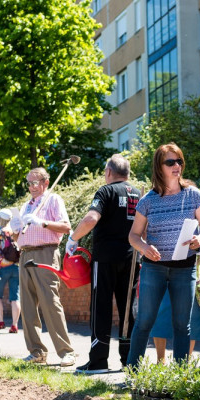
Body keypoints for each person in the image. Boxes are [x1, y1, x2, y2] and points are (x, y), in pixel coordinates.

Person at [126, 143, 200, 367]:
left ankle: (180, 376)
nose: (177, 166)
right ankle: (133, 373)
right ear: (159, 167)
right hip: (154, 268)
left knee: (182, 324)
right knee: (144, 321)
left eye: (179, 161)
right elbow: (134, 236)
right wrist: (144, 247)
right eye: (170, 162)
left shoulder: (193, 195)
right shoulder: (147, 201)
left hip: (185, 268)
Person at [66, 154, 141, 374]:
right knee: (128, 310)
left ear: (108, 172)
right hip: (131, 257)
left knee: (101, 308)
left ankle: (98, 361)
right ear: (127, 173)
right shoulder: (138, 193)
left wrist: (73, 238)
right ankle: (130, 361)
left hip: (106, 258)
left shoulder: (105, 191)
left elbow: (91, 218)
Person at [17, 167, 76, 366]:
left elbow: (66, 226)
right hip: (25, 254)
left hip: (46, 252)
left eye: (35, 182)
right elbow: (21, 234)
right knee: (27, 306)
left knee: (50, 303)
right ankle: (36, 352)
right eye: (29, 183)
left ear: (45, 182)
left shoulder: (53, 199)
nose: (32, 187)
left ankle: (66, 351)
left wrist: (41, 223)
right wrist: (13, 230)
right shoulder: (26, 206)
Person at [153, 235, 200, 362]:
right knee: (160, 314)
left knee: (192, 316)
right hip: (163, 266)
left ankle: (185, 362)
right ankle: (160, 362)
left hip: (192, 269)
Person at [0, 209, 21, 333]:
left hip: (2, 267)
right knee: (15, 297)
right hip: (16, 267)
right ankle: (14, 325)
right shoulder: (15, 230)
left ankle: (1, 322)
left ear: (0, 219)